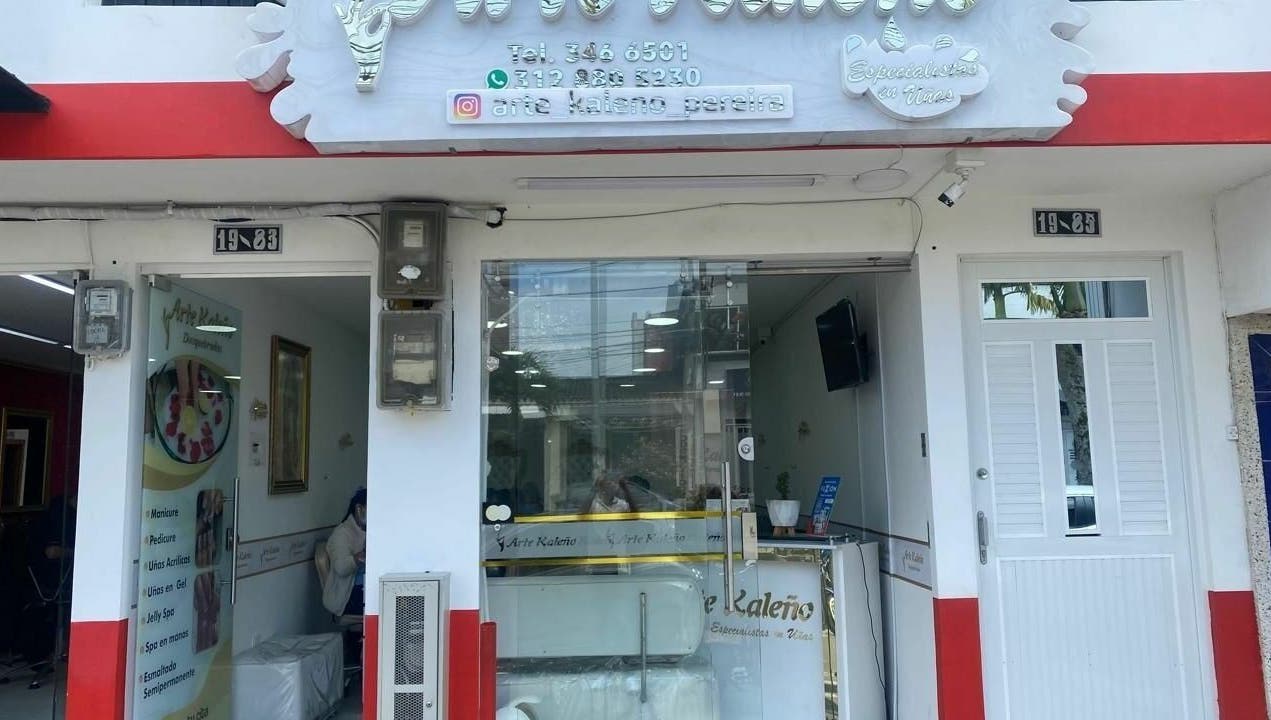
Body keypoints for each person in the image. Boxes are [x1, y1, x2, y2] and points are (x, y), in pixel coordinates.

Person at [323, 489, 366, 617]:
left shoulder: (370, 530)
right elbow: (341, 568)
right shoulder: (342, 533)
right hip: (349, 597)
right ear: (359, 509)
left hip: (366, 589)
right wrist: (360, 557)